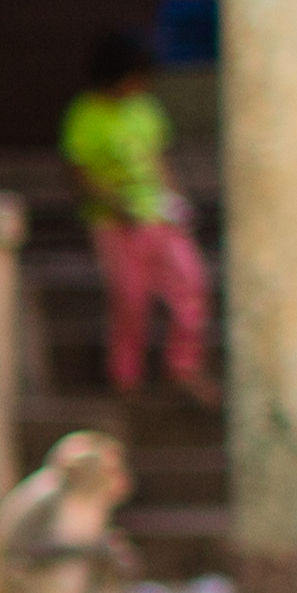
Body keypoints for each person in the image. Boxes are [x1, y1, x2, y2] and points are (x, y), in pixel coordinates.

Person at [62, 27, 215, 402]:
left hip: (159, 218)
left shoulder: (145, 109)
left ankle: (184, 367)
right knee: (130, 299)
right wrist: (117, 204)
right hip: (116, 223)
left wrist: (175, 202)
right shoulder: (85, 115)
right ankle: (125, 377)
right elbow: (79, 174)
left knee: (191, 286)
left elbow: (158, 161)